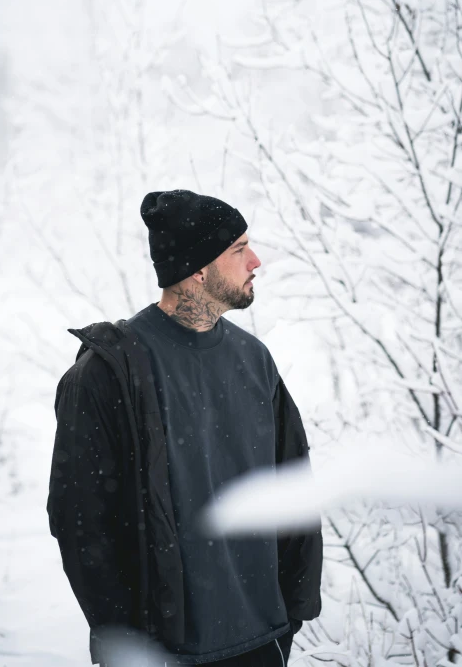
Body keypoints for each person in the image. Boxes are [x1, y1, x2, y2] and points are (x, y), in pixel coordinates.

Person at [47, 189, 323, 667]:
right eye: (239, 250)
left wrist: (292, 614)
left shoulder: (254, 360)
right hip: (169, 652)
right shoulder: (108, 373)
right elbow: (80, 522)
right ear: (196, 269)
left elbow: (295, 486)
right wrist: (129, 647)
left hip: (264, 639)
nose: (256, 261)